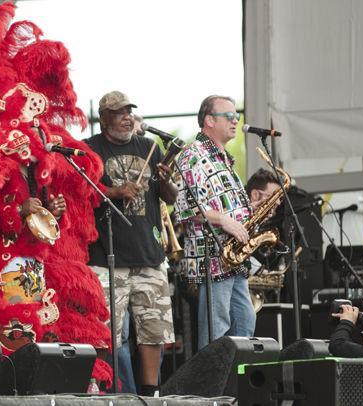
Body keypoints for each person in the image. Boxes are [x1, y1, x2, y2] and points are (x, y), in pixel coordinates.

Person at [85, 90, 177, 396]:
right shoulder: (89, 150)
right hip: (106, 255)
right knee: (104, 333)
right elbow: (80, 193)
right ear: (103, 118)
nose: (127, 117)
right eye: (119, 112)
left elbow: (170, 197)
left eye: (129, 111)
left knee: (153, 330)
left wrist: (165, 181)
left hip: (149, 254)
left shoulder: (149, 146)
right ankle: (102, 389)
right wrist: (113, 192)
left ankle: (151, 392)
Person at [174, 95, 255, 350]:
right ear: (209, 120)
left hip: (233, 256)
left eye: (236, 116)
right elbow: (186, 206)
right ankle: (210, 388)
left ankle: (236, 385)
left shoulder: (223, 158)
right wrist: (226, 221)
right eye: (229, 116)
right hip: (213, 257)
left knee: (245, 322)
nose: (235, 122)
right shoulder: (193, 155)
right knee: (215, 331)